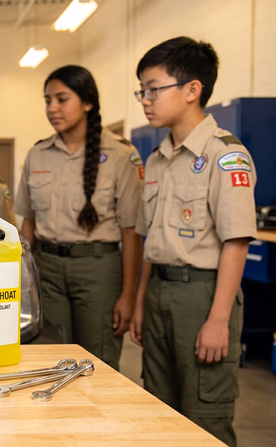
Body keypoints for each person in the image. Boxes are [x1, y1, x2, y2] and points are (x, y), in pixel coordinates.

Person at [129, 37, 255, 447]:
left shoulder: (225, 155)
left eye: (153, 89)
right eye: (141, 91)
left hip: (202, 295)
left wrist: (218, 321)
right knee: (159, 413)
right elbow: (153, 239)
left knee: (205, 419)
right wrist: (141, 301)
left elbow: (235, 243)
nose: (145, 100)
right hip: (160, 293)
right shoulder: (158, 158)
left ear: (192, 89)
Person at [14, 66, 143, 371]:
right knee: (50, 356)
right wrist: (19, 280)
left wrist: (128, 295)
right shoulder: (38, 154)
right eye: (48, 100)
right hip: (47, 268)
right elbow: (27, 226)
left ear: (87, 102)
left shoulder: (120, 155)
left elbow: (131, 233)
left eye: (62, 99)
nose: (52, 108)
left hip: (98, 270)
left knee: (98, 361)